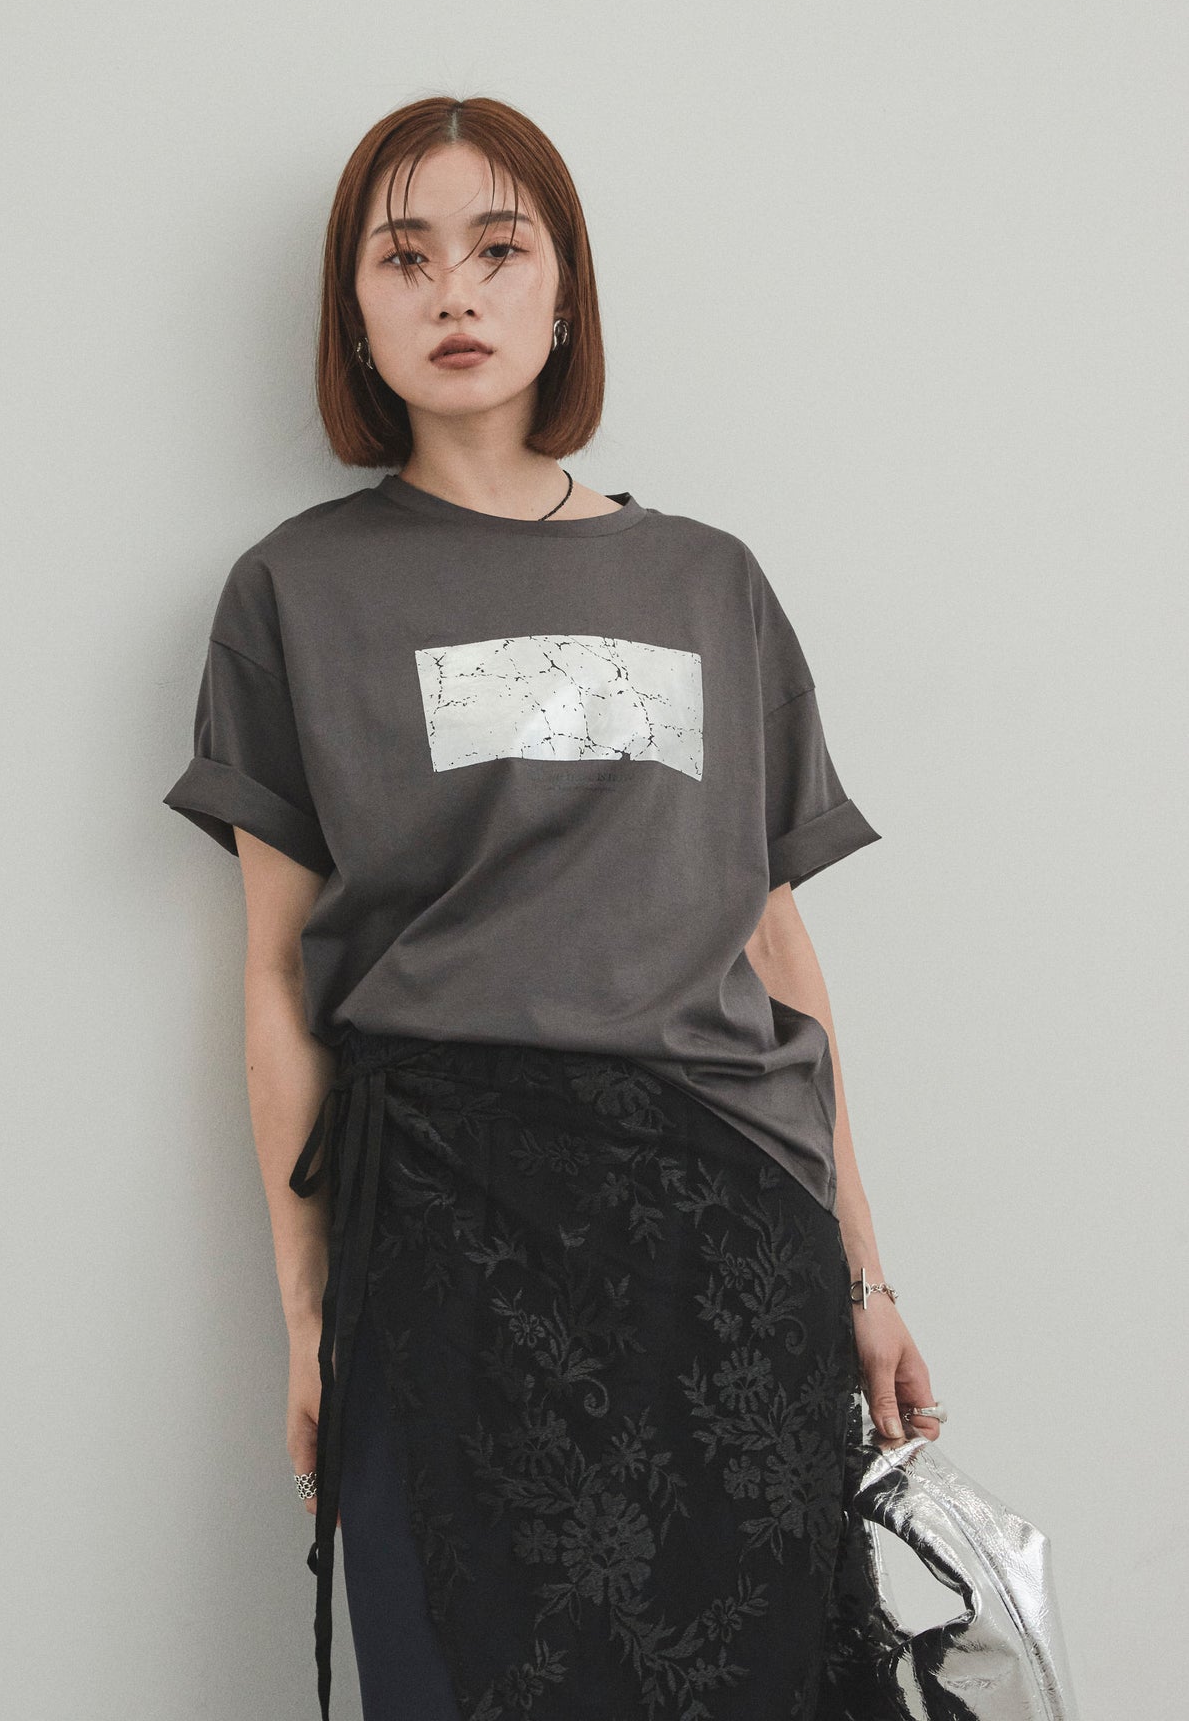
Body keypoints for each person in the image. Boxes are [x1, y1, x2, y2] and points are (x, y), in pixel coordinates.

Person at [162, 94, 944, 1721]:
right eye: (404, 257)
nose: (453, 292)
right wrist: (308, 1318)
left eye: (497, 249)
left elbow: (773, 948)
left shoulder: (706, 584)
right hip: (446, 1238)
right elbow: (275, 982)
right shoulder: (294, 591)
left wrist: (864, 1278)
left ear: (564, 290)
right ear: (353, 311)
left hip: (720, 1235)